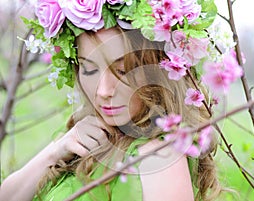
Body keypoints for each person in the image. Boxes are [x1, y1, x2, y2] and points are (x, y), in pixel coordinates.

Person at [0, 0, 222, 201]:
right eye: (89, 70)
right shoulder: (83, 133)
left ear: (157, 71)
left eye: (123, 71)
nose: (103, 91)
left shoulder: (159, 157)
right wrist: (56, 151)